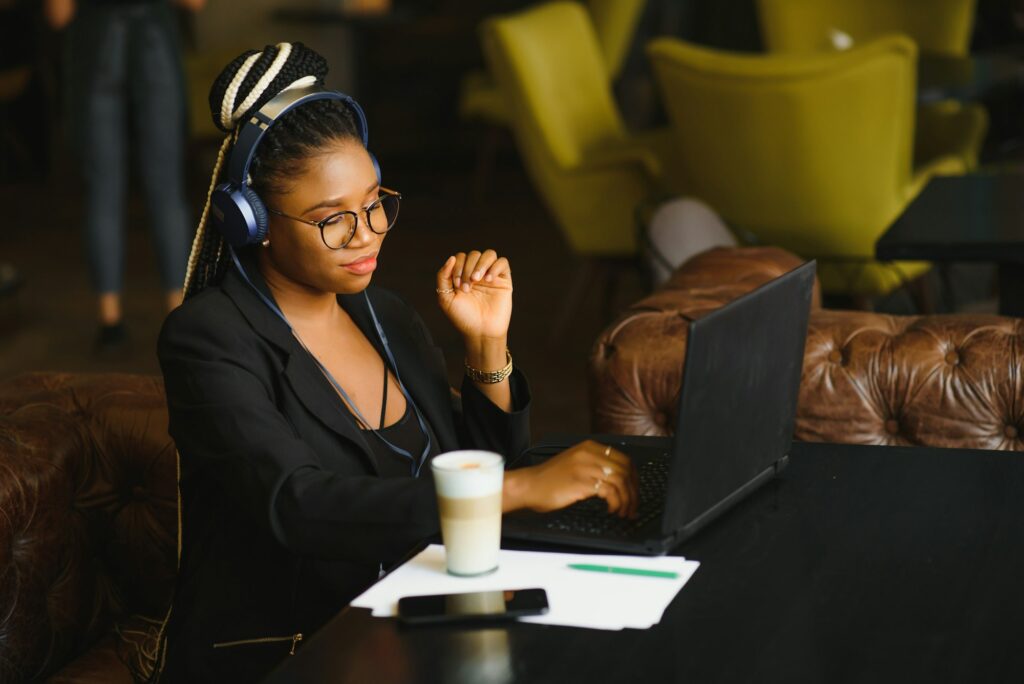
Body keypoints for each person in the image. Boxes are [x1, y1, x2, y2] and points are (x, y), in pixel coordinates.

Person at [154, 43, 638, 682]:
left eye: (375, 202)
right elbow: (295, 503)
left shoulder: (383, 315)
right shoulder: (209, 340)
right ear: (253, 223)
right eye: (333, 221)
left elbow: (482, 460)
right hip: (294, 648)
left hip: (415, 617)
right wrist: (514, 493)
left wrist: (487, 346)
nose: (367, 234)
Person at [44, 0, 202, 350]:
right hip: (155, 42)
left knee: (102, 186)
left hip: (94, 47)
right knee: (167, 187)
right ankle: (176, 313)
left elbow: (59, 14)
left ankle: (109, 319)